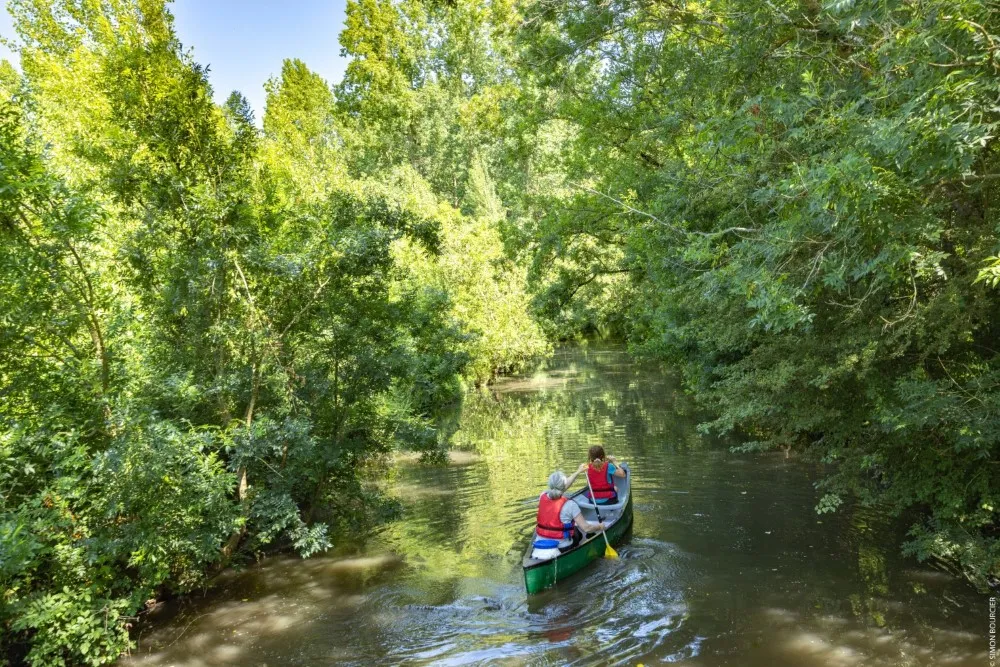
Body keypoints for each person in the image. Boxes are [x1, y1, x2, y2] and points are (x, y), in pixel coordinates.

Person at [535, 467, 607, 549]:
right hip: (562, 546)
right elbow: (587, 528)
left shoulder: (542, 496)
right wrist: (600, 526)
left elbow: (560, 488)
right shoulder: (570, 505)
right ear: (563, 485)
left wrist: (578, 472)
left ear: (550, 484)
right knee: (578, 532)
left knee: (574, 528)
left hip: (540, 541)